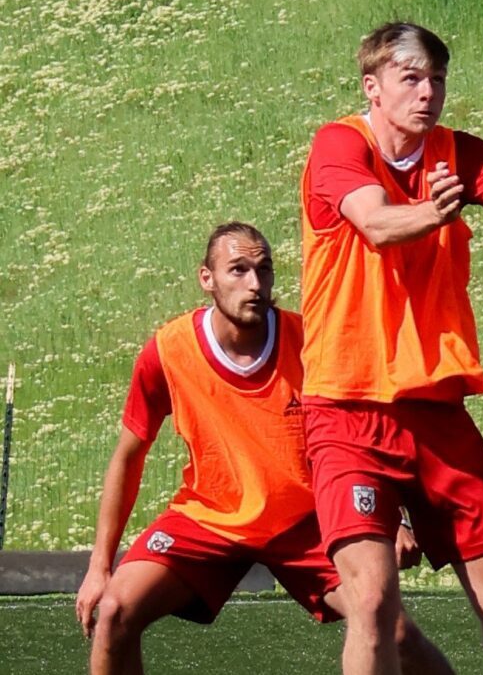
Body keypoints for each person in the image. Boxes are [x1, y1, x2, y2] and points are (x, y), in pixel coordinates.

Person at [301, 22, 483, 675]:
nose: (428, 93)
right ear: (373, 87)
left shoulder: (459, 152)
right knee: (372, 596)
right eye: (411, 78)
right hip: (348, 406)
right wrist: (436, 212)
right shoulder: (339, 144)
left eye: (438, 80)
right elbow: (376, 222)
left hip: (435, 407)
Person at [75, 224, 454, 675]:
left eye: (264, 270)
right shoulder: (168, 351)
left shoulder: (312, 343)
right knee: (115, 611)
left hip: (310, 520)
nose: (255, 284)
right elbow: (128, 455)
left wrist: (389, 520)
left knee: (394, 634)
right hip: (211, 517)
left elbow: (368, 432)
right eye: (238, 270)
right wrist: (100, 567)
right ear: (206, 278)